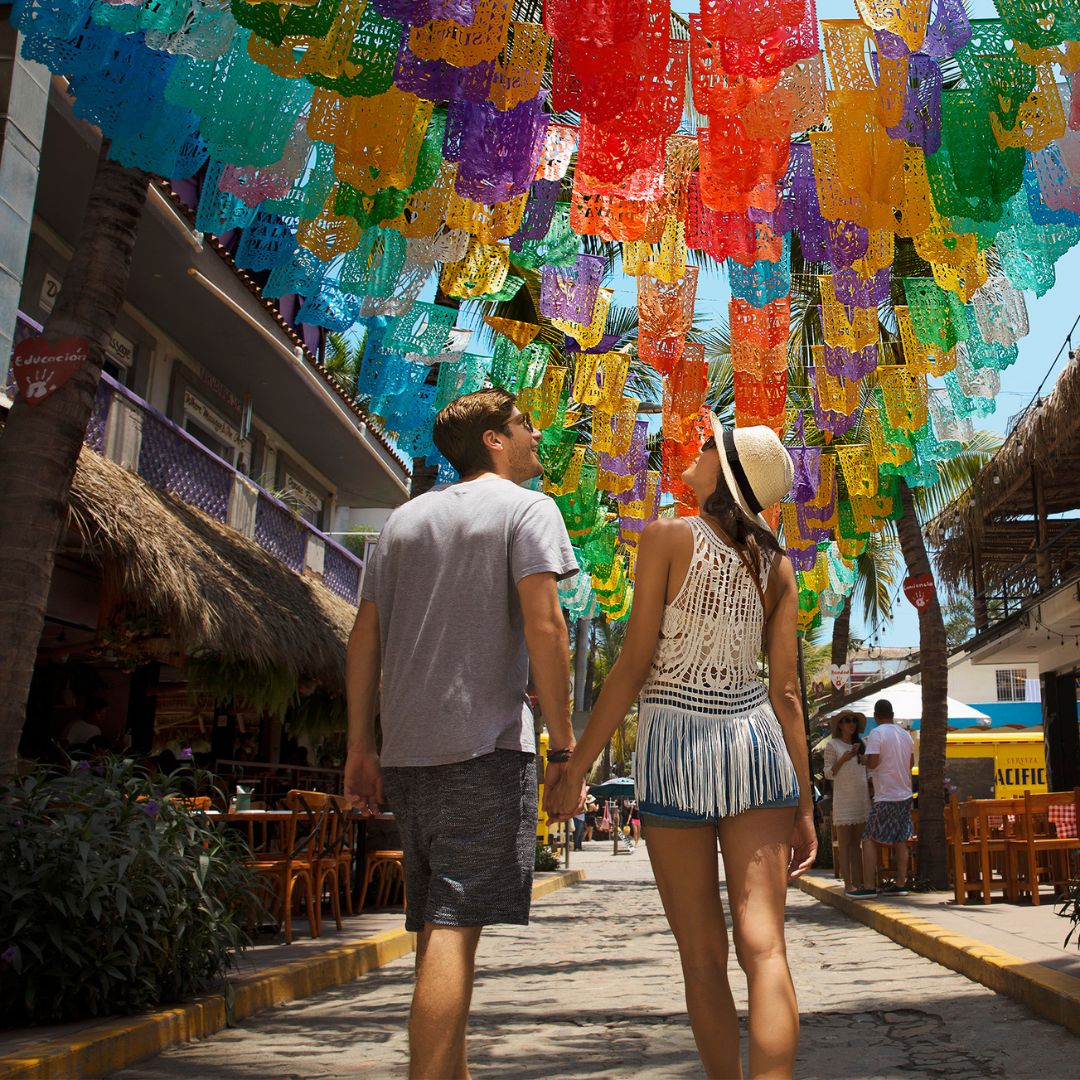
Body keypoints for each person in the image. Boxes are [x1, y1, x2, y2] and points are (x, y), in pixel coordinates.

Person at [546, 416, 816, 1080]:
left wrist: (573, 767)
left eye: (704, 449)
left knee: (702, 953)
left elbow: (634, 665)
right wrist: (805, 806)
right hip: (756, 747)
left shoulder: (667, 538)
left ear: (723, 473)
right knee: (767, 947)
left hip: (674, 751)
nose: (690, 456)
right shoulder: (780, 568)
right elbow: (786, 696)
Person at [343, 388, 580, 1080]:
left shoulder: (403, 522)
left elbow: (364, 640)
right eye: (523, 424)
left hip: (409, 754)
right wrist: (564, 746)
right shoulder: (528, 509)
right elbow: (546, 626)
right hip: (481, 749)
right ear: (494, 440)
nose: (535, 435)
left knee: (434, 930)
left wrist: (361, 746)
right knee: (452, 929)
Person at [850, 698, 915, 899]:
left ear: (876, 716)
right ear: (892, 714)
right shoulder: (906, 735)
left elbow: (874, 762)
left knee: (868, 838)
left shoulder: (877, 734)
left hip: (886, 794)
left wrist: (863, 760)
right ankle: (901, 883)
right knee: (901, 838)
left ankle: (869, 886)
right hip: (905, 793)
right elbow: (911, 762)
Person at [823, 710, 871, 896]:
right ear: (840, 725)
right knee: (845, 843)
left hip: (861, 798)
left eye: (853, 721)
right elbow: (828, 773)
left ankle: (859, 882)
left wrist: (865, 759)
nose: (851, 724)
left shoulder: (863, 745)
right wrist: (843, 759)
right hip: (843, 799)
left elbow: (869, 772)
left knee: (859, 843)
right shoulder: (832, 745)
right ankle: (848, 883)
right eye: (847, 721)